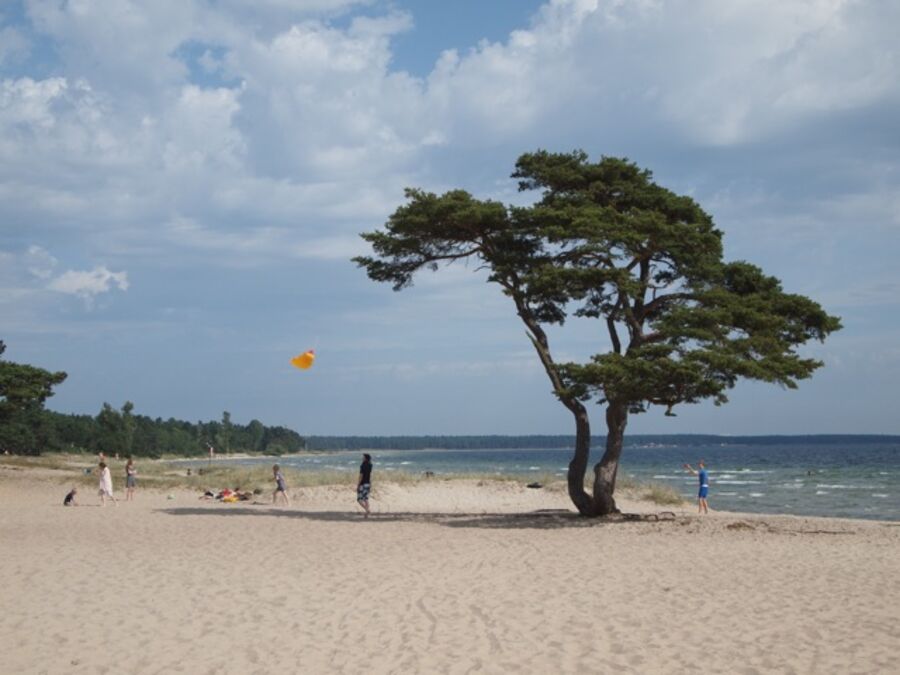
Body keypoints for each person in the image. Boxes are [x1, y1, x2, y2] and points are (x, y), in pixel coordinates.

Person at [357, 453, 372, 518]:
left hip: (362, 484)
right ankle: (367, 513)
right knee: (366, 498)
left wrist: (358, 484)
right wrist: (370, 483)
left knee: (359, 499)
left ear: (365, 458)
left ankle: (367, 510)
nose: (362, 458)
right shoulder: (370, 465)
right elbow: (370, 475)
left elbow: (361, 476)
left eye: (363, 457)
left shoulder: (362, 466)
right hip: (368, 483)